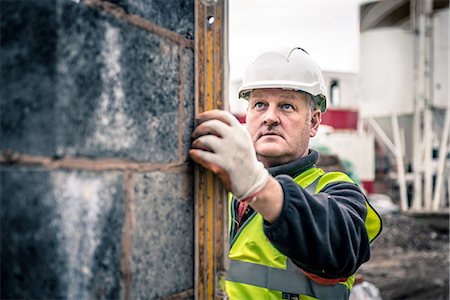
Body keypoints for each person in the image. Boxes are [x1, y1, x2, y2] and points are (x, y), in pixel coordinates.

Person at [190, 47, 382, 300]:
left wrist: (257, 184)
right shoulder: (218, 189)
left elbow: (340, 246)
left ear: (313, 122)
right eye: (259, 104)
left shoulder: (337, 190)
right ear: (247, 116)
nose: (270, 117)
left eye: (286, 106)